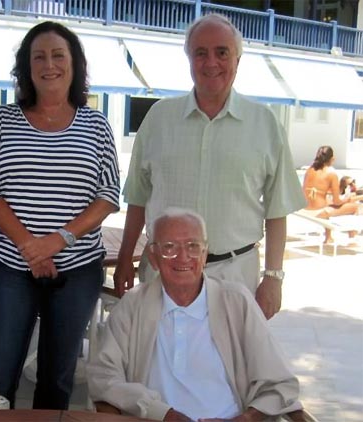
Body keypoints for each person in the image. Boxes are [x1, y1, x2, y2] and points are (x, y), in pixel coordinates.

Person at [114, 13, 305, 319]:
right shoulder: (159, 119)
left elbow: (277, 209)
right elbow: (137, 197)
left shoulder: (265, 124)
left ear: (238, 60)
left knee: (230, 365)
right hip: (163, 275)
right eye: (200, 53)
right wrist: (125, 258)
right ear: (189, 59)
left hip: (235, 276)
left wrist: (273, 277)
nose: (211, 62)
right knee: (157, 363)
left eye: (222, 52)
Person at [0, 21, 120, 409]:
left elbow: (108, 195)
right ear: (26, 66)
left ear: (74, 65)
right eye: (38, 56)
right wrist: (29, 247)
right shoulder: (3, 121)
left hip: (77, 268)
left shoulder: (97, 125)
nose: (49, 64)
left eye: (59, 55)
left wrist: (57, 241)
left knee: (57, 377)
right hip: (11, 266)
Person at [87, 207, 304, 421]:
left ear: (204, 254)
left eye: (192, 246)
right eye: (169, 247)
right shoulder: (133, 305)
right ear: (153, 257)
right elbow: (104, 376)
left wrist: (245, 419)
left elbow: (280, 383)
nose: (182, 257)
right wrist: (163, 414)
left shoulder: (237, 301)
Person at [302, 146, 360, 242]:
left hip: (305, 208)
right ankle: (352, 238)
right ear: (331, 158)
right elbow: (337, 201)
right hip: (319, 211)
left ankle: (328, 237)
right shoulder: (331, 173)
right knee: (355, 207)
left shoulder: (309, 170)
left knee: (327, 203)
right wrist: (347, 198)